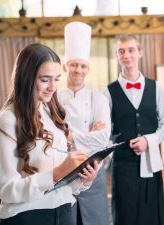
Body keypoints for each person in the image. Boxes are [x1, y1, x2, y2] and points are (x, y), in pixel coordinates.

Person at [0, 43, 101, 225]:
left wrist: (83, 180)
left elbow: (61, 182)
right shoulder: (7, 120)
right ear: (26, 78)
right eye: (45, 79)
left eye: (56, 79)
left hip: (64, 211)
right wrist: (56, 173)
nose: (53, 87)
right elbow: (8, 190)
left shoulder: (51, 114)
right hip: (28, 217)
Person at [102, 34, 164, 225]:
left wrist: (149, 140)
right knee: (125, 212)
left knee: (151, 211)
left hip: (151, 160)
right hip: (123, 165)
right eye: (121, 51)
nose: (126, 55)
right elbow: (105, 131)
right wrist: (112, 151)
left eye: (131, 50)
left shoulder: (156, 88)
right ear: (117, 56)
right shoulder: (107, 92)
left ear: (140, 52)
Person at [58, 22, 111, 225]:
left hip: (93, 172)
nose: (78, 70)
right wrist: (87, 134)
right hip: (63, 174)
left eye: (82, 66)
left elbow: (102, 138)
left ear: (88, 69)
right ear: (65, 67)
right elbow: (52, 137)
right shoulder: (54, 98)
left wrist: (70, 135)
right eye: (73, 65)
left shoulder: (99, 100)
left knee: (95, 220)